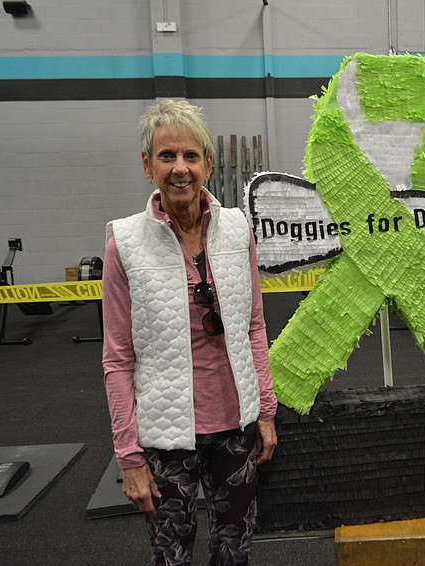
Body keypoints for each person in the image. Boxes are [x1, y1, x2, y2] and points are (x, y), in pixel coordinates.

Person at [102, 99, 278, 565]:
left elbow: (254, 326)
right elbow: (117, 359)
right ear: (147, 166)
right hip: (165, 439)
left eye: (190, 156)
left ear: (209, 163)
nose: (180, 168)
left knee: (234, 552)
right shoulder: (124, 244)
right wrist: (129, 456)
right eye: (166, 156)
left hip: (235, 430)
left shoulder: (239, 230)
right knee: (171, 557)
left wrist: (266, 411)